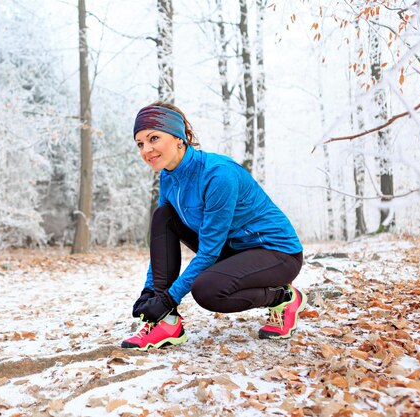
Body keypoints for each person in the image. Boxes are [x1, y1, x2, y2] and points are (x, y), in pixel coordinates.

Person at [121, 102, 306, 351]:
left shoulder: (218, 175)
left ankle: (283, 296)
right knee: (162, 216)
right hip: (232, 250)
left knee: (208, 290)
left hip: (277, 253)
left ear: (179, 138)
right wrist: (150, 291)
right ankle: (167, 323)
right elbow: (161, 238)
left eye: (154, 138)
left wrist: (169, 297)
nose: (147, 150)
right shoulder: (167, 175)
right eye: (140, 144)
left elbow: (209, 251)